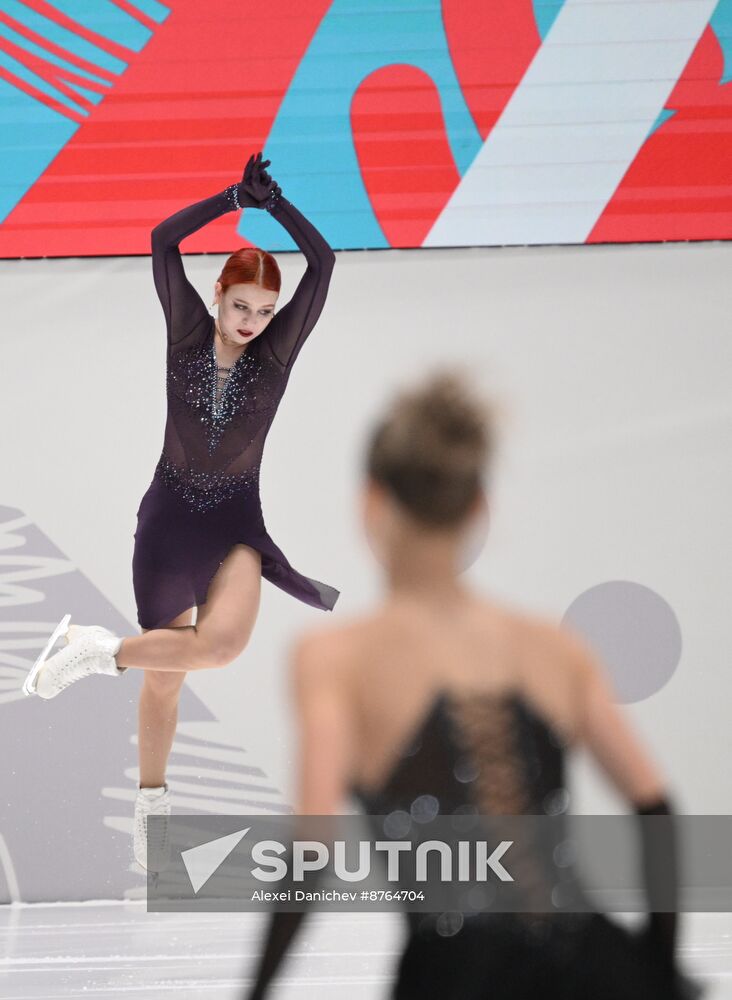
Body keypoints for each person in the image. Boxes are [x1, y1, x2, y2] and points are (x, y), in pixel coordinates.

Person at [242, 371, 704, 999]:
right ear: (480, 506)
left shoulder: (334, 657)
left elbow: (313, 852)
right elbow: (655, 809)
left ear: (371, 503)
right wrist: (655, 970)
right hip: (598, 968)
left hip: (455, 980)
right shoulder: (553, 648)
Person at [22, 151, 339, 873]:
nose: (254, 321)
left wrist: (277, 208)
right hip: (168, 521)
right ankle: (153, 814)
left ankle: (95, 651)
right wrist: (231, 199)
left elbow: (322, 266)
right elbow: (164, 239)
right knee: (166, 679)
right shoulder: (188, 334)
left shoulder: (277, 356)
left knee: (220, 647)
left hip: (236, 527)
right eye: (241, 306)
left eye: (264, 311)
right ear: (219, 296)